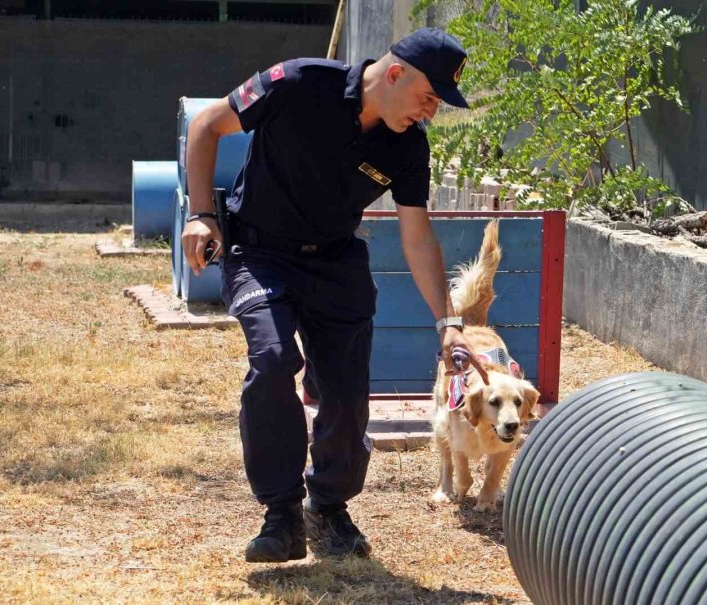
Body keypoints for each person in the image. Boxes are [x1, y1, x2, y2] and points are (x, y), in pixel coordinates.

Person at [181, 27, 486, 563]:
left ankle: (327, 505)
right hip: (260, 251)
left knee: (346, 394)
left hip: (336, 260)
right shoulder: (299, 82)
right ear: (395, 74)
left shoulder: (408, 145)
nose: (431, 114)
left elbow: (417, 235)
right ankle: (281, 516)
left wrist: (449, 323)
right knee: (274, 360)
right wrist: (201, 214)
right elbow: (208, 125)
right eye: (429, 98)